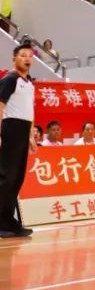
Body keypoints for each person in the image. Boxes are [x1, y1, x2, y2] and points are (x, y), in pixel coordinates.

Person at [0, 42, 36, 238]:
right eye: (23, 55)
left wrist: (30, 135)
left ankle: (9, 221)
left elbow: (30, 111)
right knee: (6, 177)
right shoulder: (10, 79)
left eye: (30, 56)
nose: (27, 59)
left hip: (23, 129)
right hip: (10, 128)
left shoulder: (29, 84)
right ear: (14, 59)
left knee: (17, 178)